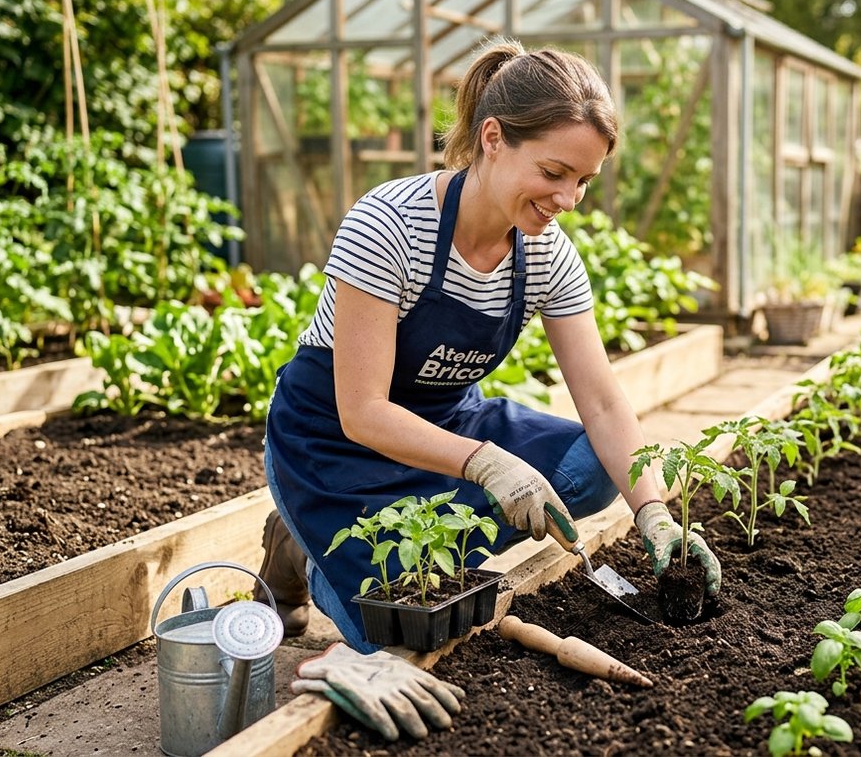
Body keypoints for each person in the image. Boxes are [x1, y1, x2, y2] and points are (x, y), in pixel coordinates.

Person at [254, 39, 722, 739]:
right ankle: (302, 544)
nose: (568, 199)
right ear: (493, 138)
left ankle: (428, 537)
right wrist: (487, 464)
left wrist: (654, 510)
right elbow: (362, 410)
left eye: (584, 182)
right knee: (394, 624)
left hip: (449, 421)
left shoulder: (546, 256)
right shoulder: (391, 225)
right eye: (555, 172)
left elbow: (601, 403)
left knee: (594, 470)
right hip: (335, 444)